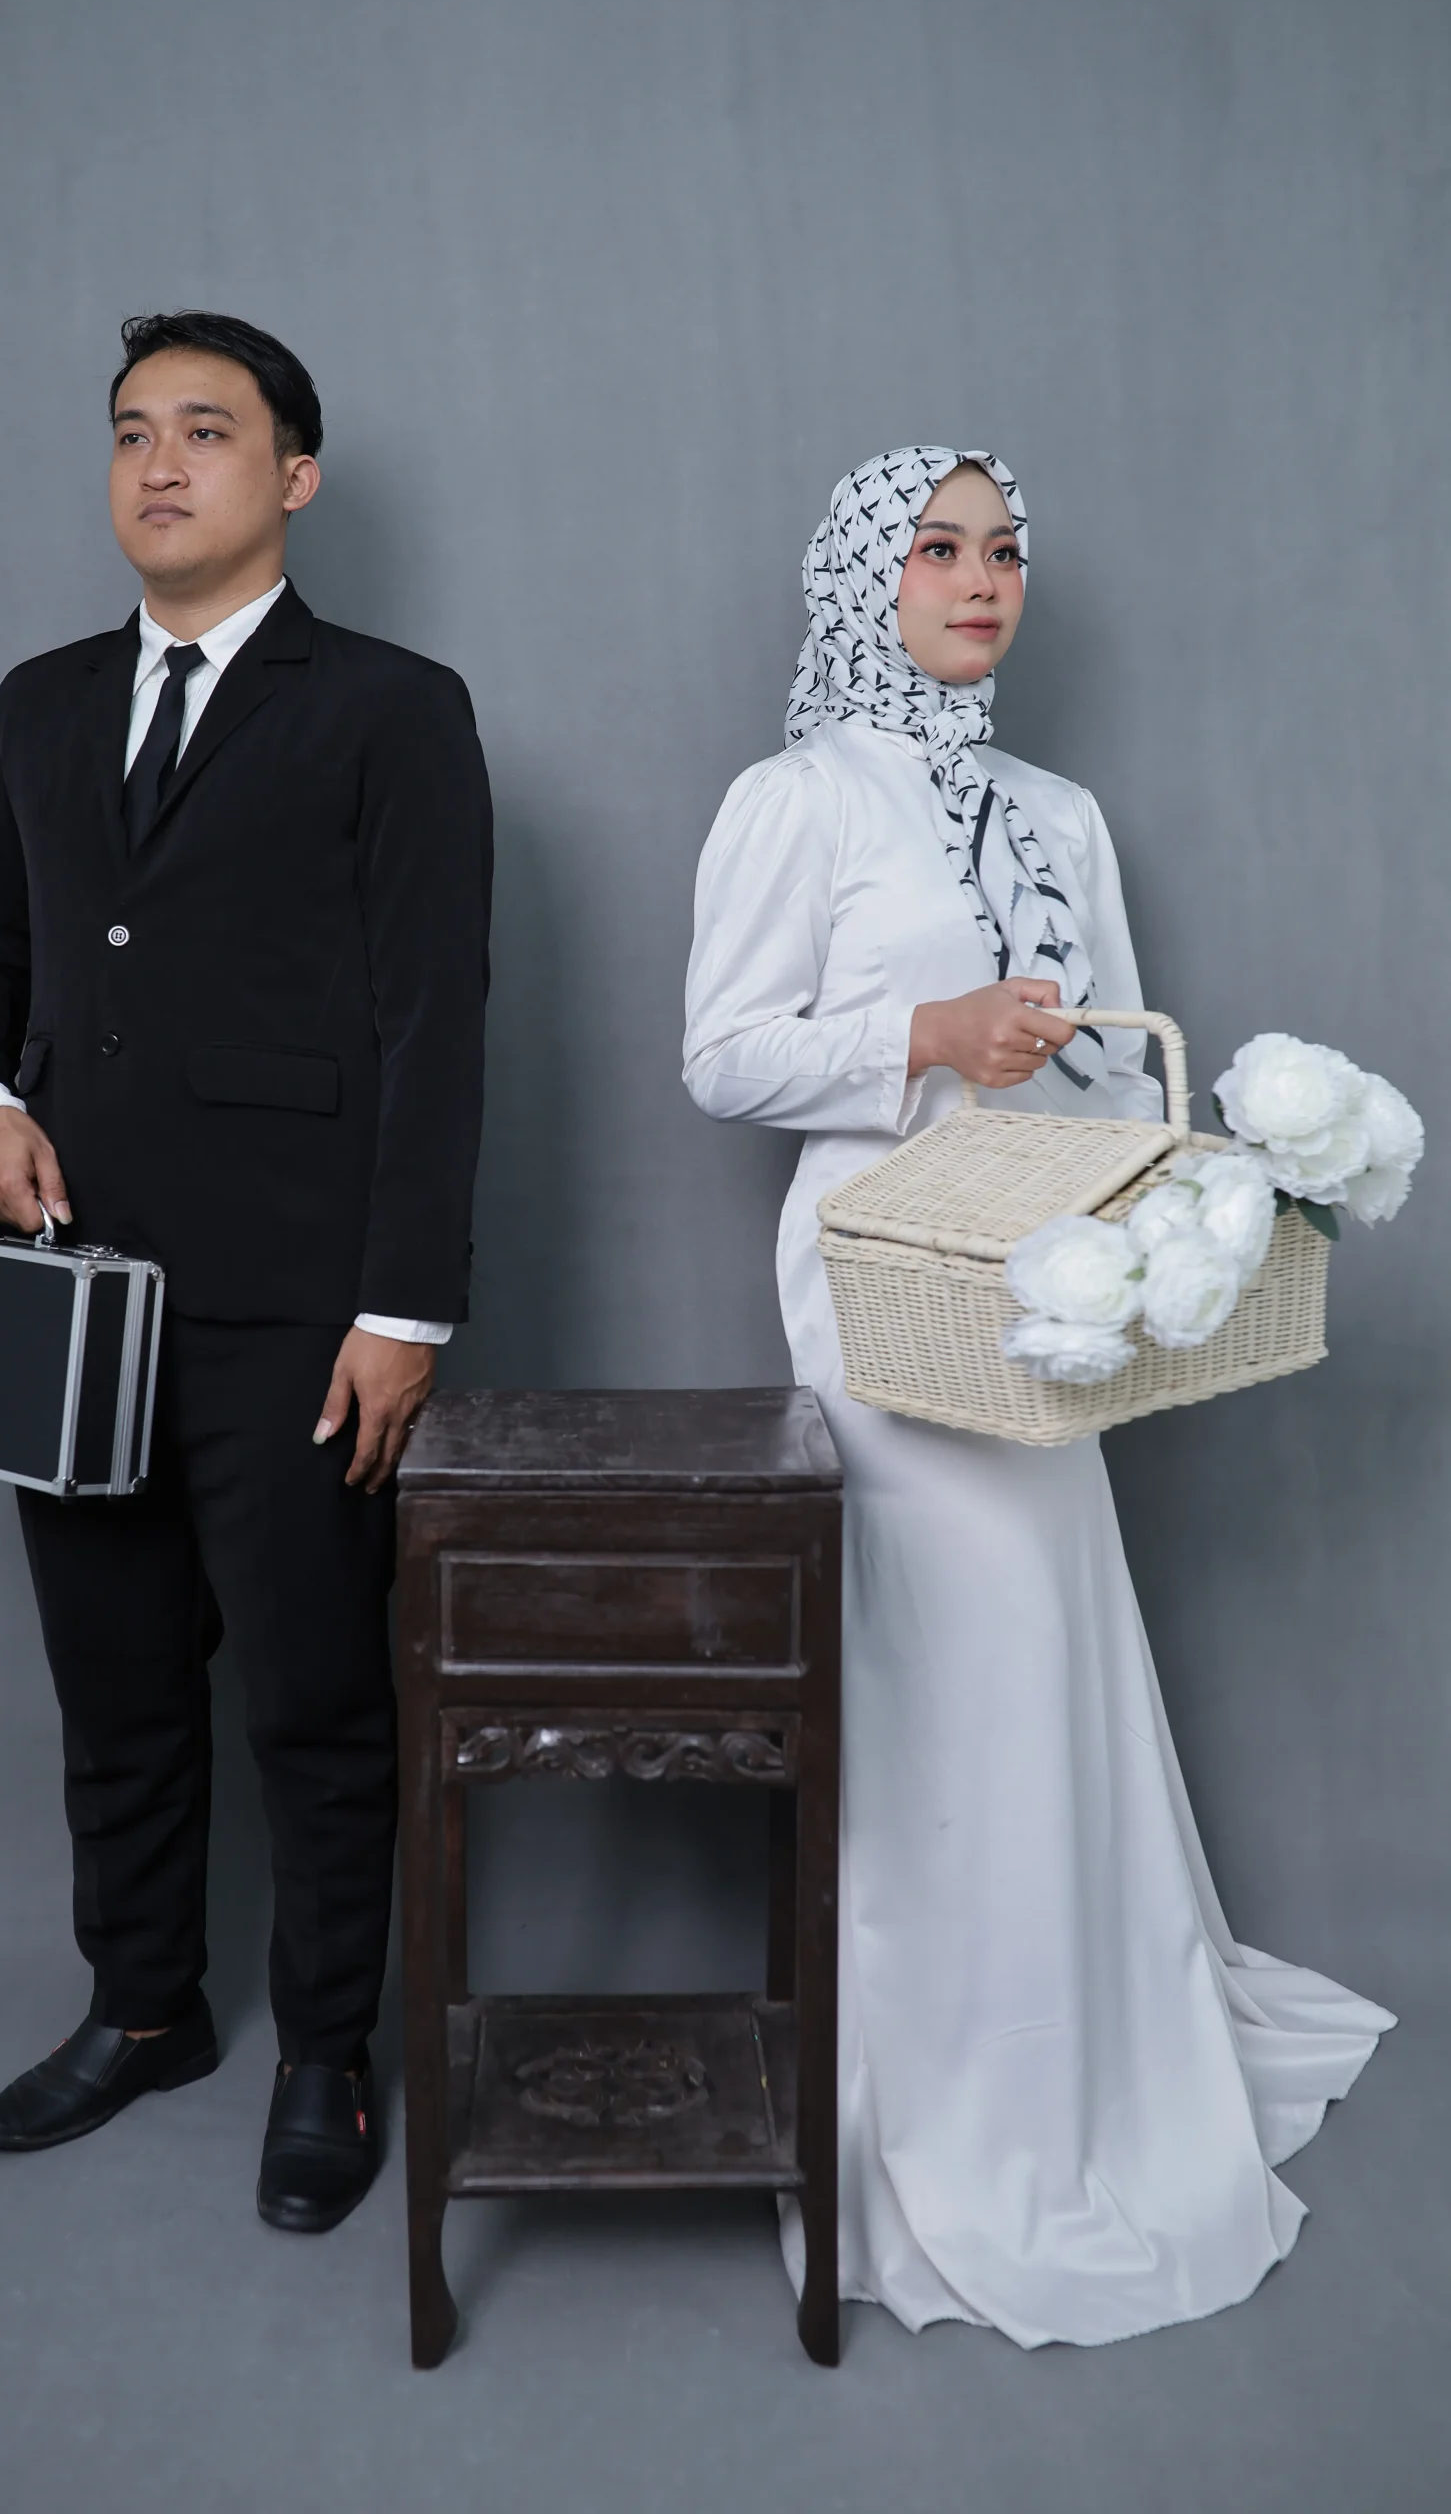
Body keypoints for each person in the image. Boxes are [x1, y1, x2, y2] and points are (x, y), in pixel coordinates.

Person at [682, 445, 1393, 2346]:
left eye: (1002, 549)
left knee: (1046, 1650)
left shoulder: (1060, 812)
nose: (979, 578)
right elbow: (723, 1056)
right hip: (881, 1280)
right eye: (935, 548)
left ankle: (1085, 2054)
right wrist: (923, 1033)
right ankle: (938, 2100)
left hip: (1045, 1281)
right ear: (866, 579)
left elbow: (1118, 1066)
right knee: (933, 1668)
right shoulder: (797, 799)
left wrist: (1180, 1216)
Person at [0, 310, 492, 2233]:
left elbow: (434, 1018)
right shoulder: (38, 703)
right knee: (116, 1687)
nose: (160, 465)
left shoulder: (392, 709)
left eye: (208, 431)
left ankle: (326, 2054)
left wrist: (402, 1310)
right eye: (130, 432)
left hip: (299, 1307)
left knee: (317, 1703)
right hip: (73, 1294)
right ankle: (142, 2010)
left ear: (293, 476)